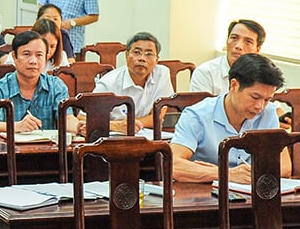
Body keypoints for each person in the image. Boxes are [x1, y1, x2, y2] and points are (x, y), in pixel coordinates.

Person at [171, 53, 287, 183]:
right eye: (255, 97)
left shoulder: (269, 112)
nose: (259, 106)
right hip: (205, 195)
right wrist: (227, 174)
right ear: (234, 85)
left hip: (249, 194)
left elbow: (284, 166)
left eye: (267, 99)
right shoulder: (196, 115)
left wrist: (248, 174)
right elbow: (173, 165)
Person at [0, 30, 77, 133]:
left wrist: (78, 127)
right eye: (26, 54)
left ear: (46, 57)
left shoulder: (56, 86)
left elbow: (67, 118)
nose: (33, 61)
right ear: (14, 57)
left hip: (47, 148)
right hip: (9, 147)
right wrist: (18, 126)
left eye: (39, 55)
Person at [92, 31, 172, 131]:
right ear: (126, 54)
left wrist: (130, 124)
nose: (142, 58)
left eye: (149, 54)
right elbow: (84, 118)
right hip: (113, 138)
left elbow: (157, 117)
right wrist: (116, 126)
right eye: (137, 52)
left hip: (148, 137)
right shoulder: (108, 83)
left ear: (157, 60)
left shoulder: (162, 74)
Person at [190, 19, 265, 95]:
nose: (238, 46)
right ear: (227, 41)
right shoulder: (205, 73)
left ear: (257, 50)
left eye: (248, 42)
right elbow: (201, 106)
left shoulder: (262, 75)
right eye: (234, 38)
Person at [3, 18, 68, 71]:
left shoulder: (62, 57)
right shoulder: (16, 57)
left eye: (52, 46)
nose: (49, 50)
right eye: (45, 45)